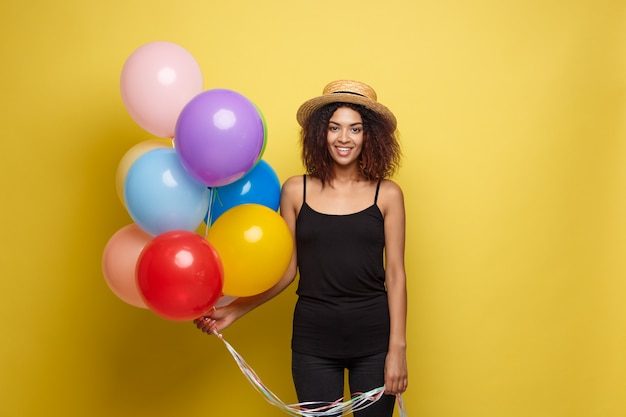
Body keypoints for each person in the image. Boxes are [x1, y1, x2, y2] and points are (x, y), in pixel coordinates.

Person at [195, 80, 408, 416]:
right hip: (313, 345)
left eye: (355, 129)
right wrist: (232, 310)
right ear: (320, 133)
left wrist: (397, 349)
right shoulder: (296, 191)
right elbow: (286, 271)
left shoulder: (389, 195)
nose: (344, 138)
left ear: (370, 136)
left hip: (374, 344)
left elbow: (395, 274)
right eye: (335, 127)